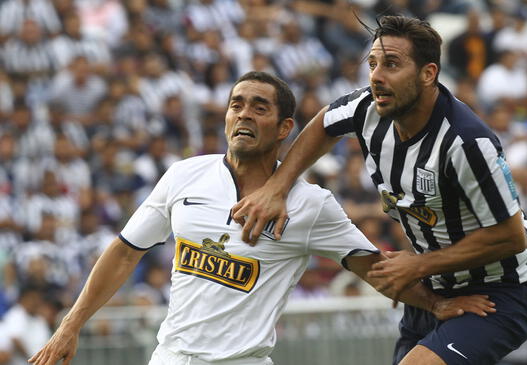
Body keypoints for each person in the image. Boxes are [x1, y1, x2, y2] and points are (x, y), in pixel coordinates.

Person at [28, 71, 495, 365]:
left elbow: (371, 267)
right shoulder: (183, 176)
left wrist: (436, 307)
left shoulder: (311, 205)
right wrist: (70, 327)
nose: (243, 114)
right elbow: (125, 253)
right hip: (168, 356)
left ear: (285, 128)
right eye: (236, 104)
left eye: (259, 107)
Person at [231, 16, 527, 365]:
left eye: (392, 64)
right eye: (373, 64)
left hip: (500, 290)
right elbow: (323, 124)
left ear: (428, 74)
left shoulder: (466, 141)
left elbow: (511, 236)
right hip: (433, 287)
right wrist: (278, 187)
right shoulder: (368, 109)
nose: (376, 76)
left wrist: (418, 265)